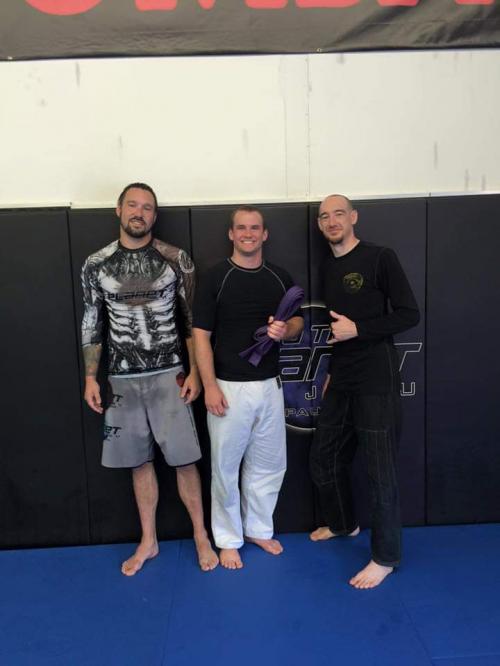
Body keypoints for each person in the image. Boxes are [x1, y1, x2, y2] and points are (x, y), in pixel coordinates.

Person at [81, 182, 218, 576]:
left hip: (170, 373)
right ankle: (148, 540)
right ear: (119, 210)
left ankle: (201, 535)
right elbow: (92, 321)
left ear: (154, 215)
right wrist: (91, 377)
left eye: (146, 207)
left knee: (185, 461)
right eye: (132, 205)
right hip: (122, 378)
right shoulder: (96, 264)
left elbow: (192, 322)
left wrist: (195, 372)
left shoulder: (176, 259)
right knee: (138, 463)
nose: (138, 213)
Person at [309, 194, 420, 589]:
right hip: (342, 378)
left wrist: (359, 329)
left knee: (379, 472)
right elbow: (336, 330)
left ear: (353, 217)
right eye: (325, 216)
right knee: (323, 457)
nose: (332, 221)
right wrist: (331, 371)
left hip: (376, 378)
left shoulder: (379, 257)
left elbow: (409, 314)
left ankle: (385, 557)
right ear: (320, 224)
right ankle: (343, 524)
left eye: (339, 213)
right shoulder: (328, 267)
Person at [192, 206, 304, 570]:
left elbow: (298, 321)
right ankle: (227, 539)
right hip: (229, 388)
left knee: (269, 464)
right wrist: (210, 386)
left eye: (255, 228)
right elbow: (200, 336)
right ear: (231, 234)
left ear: (264, 234)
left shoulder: (279, 276)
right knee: (225, 468)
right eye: (241, 228)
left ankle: (258, 529)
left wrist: (285, 330)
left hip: (270, 385)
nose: (248, 234)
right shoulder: (216, 278)